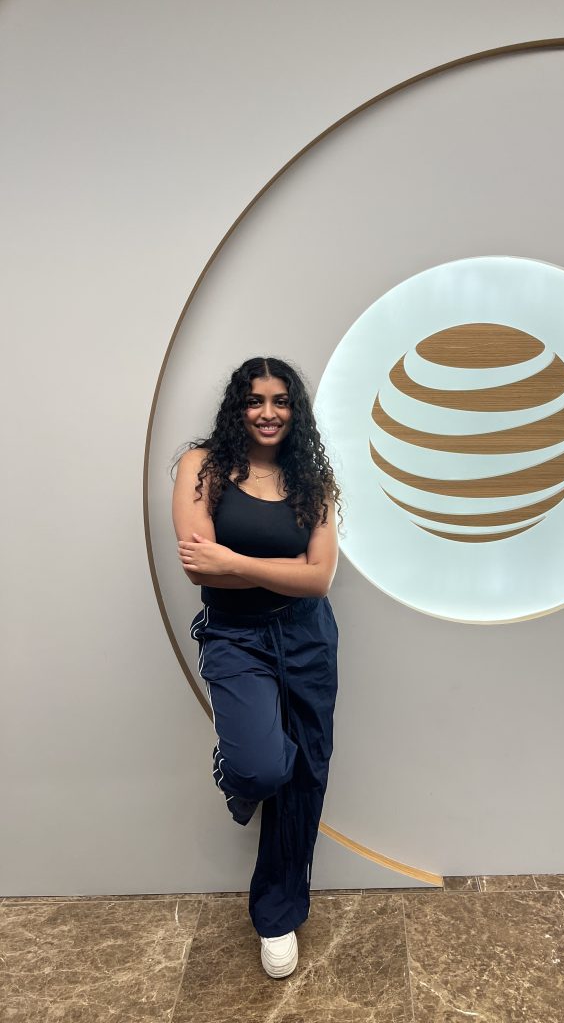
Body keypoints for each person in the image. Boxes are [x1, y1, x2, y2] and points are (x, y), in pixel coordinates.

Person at [171, 355, 341, 980]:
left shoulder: (313, 481)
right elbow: (195, 564)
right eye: (255, 400)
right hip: (235, 636)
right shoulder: (203, 466)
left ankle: (277, 914)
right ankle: (236, 760)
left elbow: (319, 579)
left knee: (307, 776)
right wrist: (279, 571)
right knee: (263, 764)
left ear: (295, 410)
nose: (268, 413)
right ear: (237, 407)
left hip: (306, 637)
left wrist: (232, 560)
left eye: (281, 401)